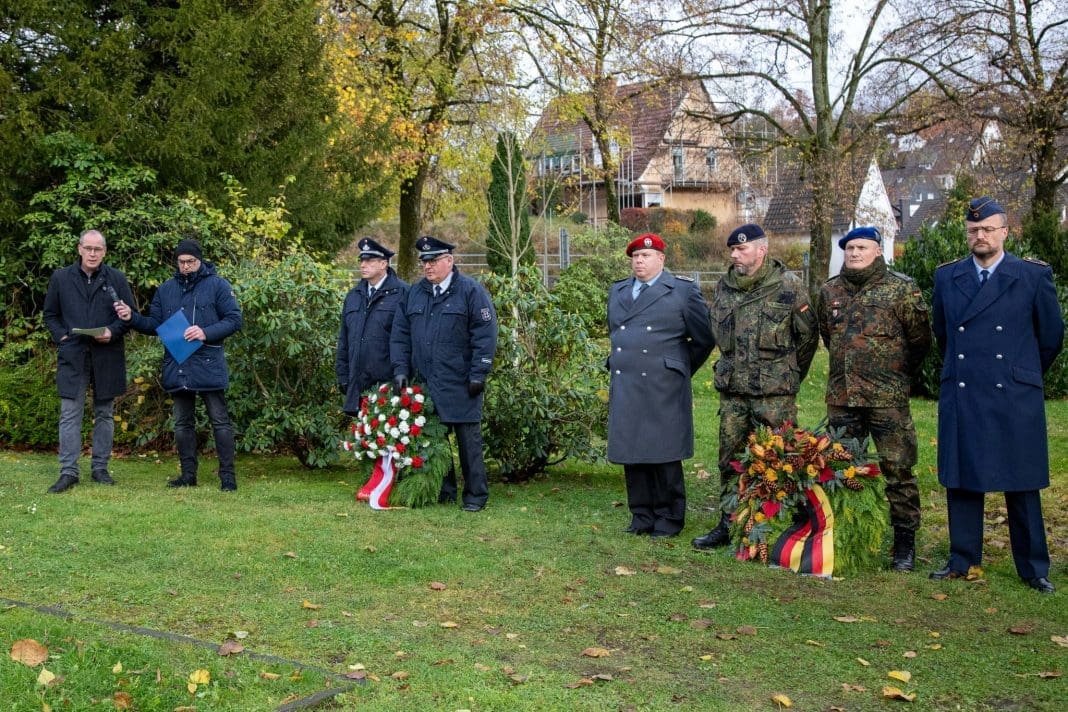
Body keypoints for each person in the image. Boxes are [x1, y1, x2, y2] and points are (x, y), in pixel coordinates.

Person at [929, 197, 1064, 593]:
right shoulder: (948, 277)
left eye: (988, 229)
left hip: (1014, 391)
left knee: (1021, 480)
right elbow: (944, 333)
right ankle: (962, 559)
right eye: (973, 230)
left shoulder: (1032, 276)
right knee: (963, 476)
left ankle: (1033, 566)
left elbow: (1051, 336)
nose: (980, 235)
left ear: (1006, 231)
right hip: (964, 388)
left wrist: (1020, 372)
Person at [692, 223, 818, 550]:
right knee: (729, 459)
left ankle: (790, 525)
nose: (735, 254)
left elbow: (807, 339)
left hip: (775, 395)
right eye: (732, 249)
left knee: (783, 457)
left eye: (742, 249)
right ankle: (728, 523)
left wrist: (787, 375)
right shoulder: (724, 287)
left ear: (761, 250)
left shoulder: (789, 287)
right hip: (734, 391)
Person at [817, 226, 931, 571]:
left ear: (877, 251)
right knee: (841, 469)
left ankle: (904, 544)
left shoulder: (901, 289)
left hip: (886, 398)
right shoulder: (829, 291)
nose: (854, 253)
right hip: (843, 397)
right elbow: (828, 335)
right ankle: (847, 536)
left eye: (862, 247)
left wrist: (893, 374)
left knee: (898, 469)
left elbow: (920, 342)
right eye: (850, 248)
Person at [607, 233, 715, 538]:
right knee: (631, 449)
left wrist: (677, 368)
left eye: (646, 256)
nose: (639, 261)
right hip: (627, 381)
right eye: (635, 257)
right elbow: (617, 334)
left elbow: (703, 339)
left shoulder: (682, 291)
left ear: (661, 259)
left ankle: (669, 516)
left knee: (664, 450)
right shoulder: (618, 291)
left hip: (663, 384)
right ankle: (641, 514)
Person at [117, 239, 243, 490]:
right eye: (181, 262)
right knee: (183, 423)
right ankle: (188, 476)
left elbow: (234, 319)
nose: (186, 266)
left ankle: (227, 478)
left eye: (191, 262)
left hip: (208, 362)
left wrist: (205, 332)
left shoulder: (218, 285)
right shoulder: (166, 290)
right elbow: (154, 324)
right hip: (178, 364)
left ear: (200, 261)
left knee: (220, 421)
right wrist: (132, 318)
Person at [390, 236, 497, 511]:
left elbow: (485, 335)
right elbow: (400, 336)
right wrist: (401, 370)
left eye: (434, 260)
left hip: (461, 382)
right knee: (434, 441)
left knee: (468, 444)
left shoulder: (471, 292)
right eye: (424, 261)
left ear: (449, 261)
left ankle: (475, 496)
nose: (428, 266)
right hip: (425, 382)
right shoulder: (414, 293)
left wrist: (479, 372)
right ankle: (444, 491)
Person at [42, 229, 136, 493]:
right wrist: (61, 336)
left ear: (105, 252)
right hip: (73, 353)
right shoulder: (61, 278)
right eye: (88, 248)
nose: (93, 253)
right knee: (70, 413)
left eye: (98, 249)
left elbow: (129, 316)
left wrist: (113, 331)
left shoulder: (116, 278)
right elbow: (50, 314)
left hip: (107, 354)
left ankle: (100, 468)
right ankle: (68, 471)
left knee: (105, 413)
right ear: (79, 249)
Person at [336, 238, 409, 415]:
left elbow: (408, 339)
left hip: (389, 385)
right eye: (361, 260)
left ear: (384, 263)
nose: (363, 265)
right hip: (358, 386)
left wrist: (402, 373)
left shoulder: (403, 293)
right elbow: (344, 340)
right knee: (362, 440)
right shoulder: (354, 296)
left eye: (369, 260)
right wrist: (343, 376)